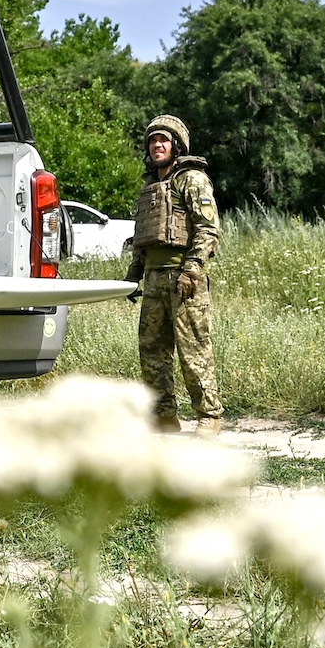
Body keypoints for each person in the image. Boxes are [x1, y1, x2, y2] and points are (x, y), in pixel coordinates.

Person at [124, 115, 222, 436]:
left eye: (163, 140)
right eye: (152, 141)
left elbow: (208, 229)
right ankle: (163, 418)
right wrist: (132, 276)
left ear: (177, 145)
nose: (156, 145)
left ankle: (209, 416)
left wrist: (192, 270)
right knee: (152, 352)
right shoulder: (150, 188)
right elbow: (143, 238)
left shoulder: (191, 180)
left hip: (184, 279)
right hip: (153, 279)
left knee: (193, 349)